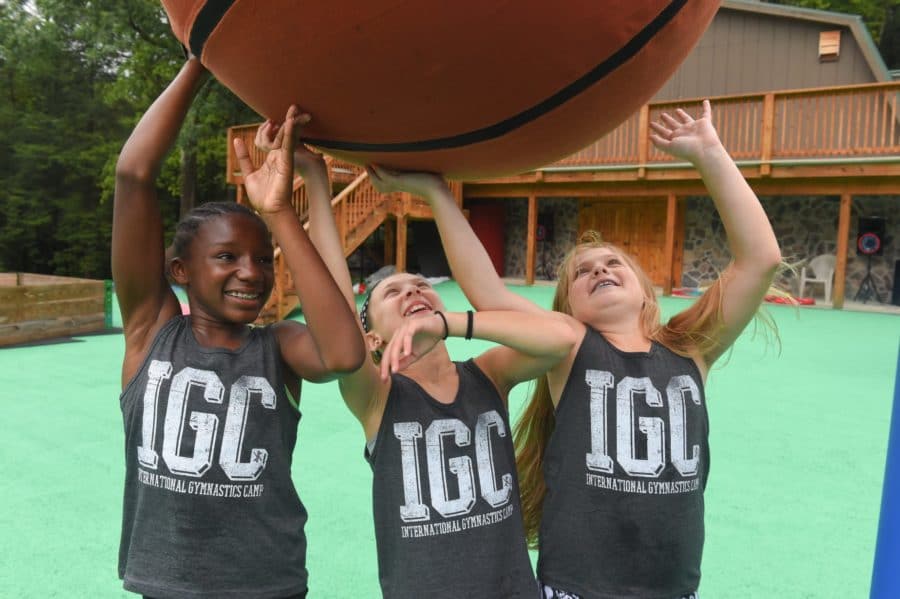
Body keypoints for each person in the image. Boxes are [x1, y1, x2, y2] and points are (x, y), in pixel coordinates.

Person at [365, 100, 782, 599]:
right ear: (567, 309)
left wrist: (711, 154)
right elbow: (488, 294)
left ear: (646, 291)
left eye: (612, 263)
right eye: (582, 273)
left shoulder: (691, 351)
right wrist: (436, 193)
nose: (599, 271)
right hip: (577, 590)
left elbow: (760, 260)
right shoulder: (571, 348)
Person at [253, 116, 583, 598]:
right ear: (372, 340)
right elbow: (339, 310)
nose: (412, 292)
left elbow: (562, 338)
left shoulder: (489, 375)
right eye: (393, 294)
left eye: (422, 286)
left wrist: (436, 197)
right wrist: (316, 183)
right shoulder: (377, 397)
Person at [112, 58, 365, 598]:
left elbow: (345, 355)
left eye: (262, 259)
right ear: (179, 271)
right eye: (226, 257)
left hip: (265, 584)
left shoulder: (280, 347)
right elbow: (133, 175)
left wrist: (278, 212)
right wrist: (199, 63)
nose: (251, 271)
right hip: (167, 585)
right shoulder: (152, 332)